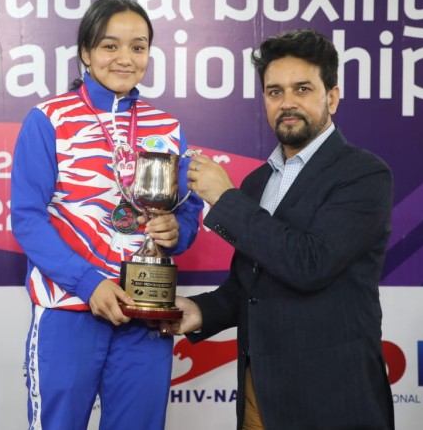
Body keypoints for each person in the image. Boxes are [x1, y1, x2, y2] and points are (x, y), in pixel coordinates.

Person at [165, 29, 395, 429]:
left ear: (332, 98)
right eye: (274, 92)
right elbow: (251, 284)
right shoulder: (257, 183)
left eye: (302, 89)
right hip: (259, 395)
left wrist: (225, 198)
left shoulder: (364, 174)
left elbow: (310, 264)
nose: (287, 102)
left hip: (334, 401)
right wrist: (201, 311)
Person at [11, 0, 203, 430]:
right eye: (110, 45)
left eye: (138, 47)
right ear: (85, 51)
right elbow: (27, 218)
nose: (125, 58)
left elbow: (188, 209)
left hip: (145, 312)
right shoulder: (48, 119)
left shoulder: (166, 127)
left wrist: (178, 230)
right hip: (70, 308)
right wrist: (88, 283)